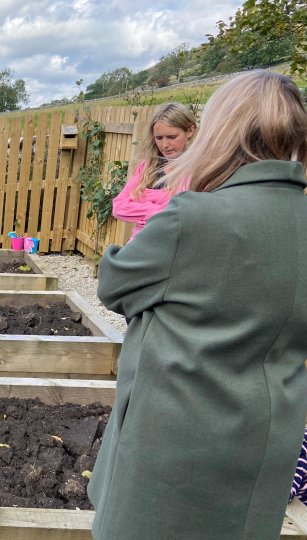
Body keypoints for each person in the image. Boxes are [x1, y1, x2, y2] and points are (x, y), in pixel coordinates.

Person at [87, 71, 307, 540]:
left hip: (175, 446)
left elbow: (114, 282)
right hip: (266, 444)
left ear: (221, 133)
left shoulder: (195, 216)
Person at [112, 102, 197, 241]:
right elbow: (118, 207)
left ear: (190, 131)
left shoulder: (197, 169)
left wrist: (143, 200)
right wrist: (158, 209)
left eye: (172, 137)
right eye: (159, 138)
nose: (164, 145)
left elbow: (183, 214)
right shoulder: (148, 166)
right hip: (138, 244)